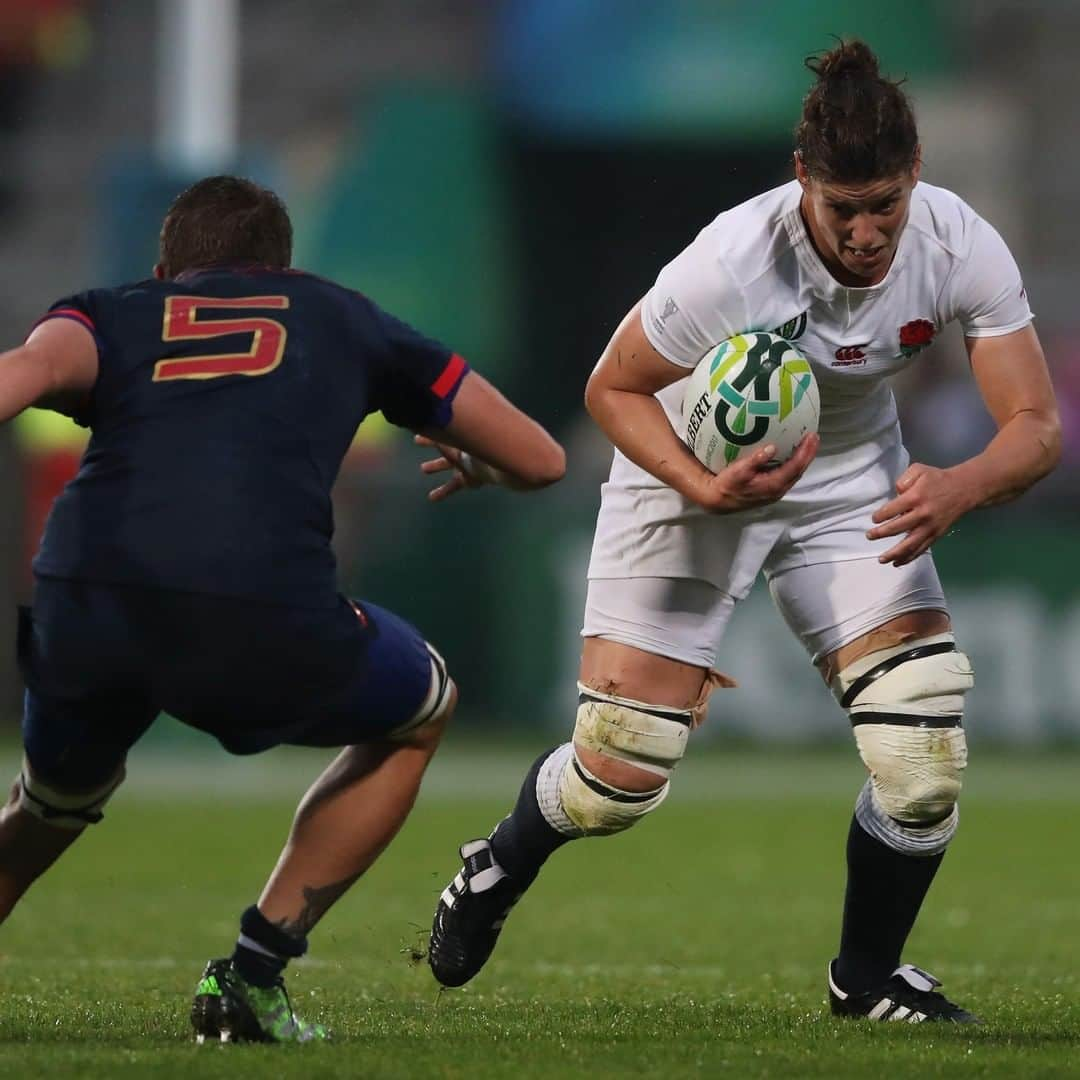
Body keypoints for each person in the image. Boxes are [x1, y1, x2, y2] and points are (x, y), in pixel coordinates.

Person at [426, 40, 1060, 1023]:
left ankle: (866, 980)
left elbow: (1036, 427)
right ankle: (495, 866)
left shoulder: (957, 243)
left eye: (883, 204)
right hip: (685, 465)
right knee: (616, 773)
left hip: (850, 476)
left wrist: (962, 487)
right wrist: (698, 482)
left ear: (915, 176)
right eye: (841, 208)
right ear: (801, 177)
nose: (863, 232)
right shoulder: (731, 261)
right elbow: (613, 387)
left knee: (923, 764)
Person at [0, 175, 565, 1043]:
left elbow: (27, 372)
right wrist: (487, 466)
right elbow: (541, 459)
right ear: (284, 268)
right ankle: (252, 974)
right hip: (254, 604)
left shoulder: (110, 311)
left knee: (50, 806)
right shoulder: (345, 315)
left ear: (163, 268)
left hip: (88, 596)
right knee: (423, 705)